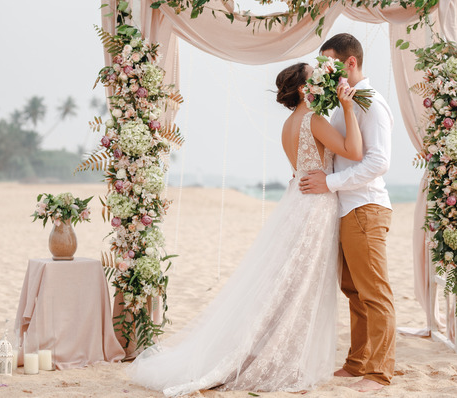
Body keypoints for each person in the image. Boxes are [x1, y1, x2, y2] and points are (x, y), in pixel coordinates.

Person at [127, 62, 363, 397]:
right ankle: (277, 357)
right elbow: (354, 151)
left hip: (298, 202)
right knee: (300, 287)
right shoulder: (314, 120)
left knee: (287, 284)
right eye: (316, 78)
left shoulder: (289, 124)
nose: (322, 81)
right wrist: (348, 107)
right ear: (302, 89)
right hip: (314, 208)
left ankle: (266, 349)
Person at [299, 33, 396, 393]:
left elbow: (379, 162)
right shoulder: (344, 104)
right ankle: (358, 362)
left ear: (350, 63)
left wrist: (332, 182)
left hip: (365, 207)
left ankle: (380, 371)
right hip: (345, 208)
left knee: (374, 292)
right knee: (353, 291)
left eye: (330, 63)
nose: (325, 70)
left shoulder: (372, 104)